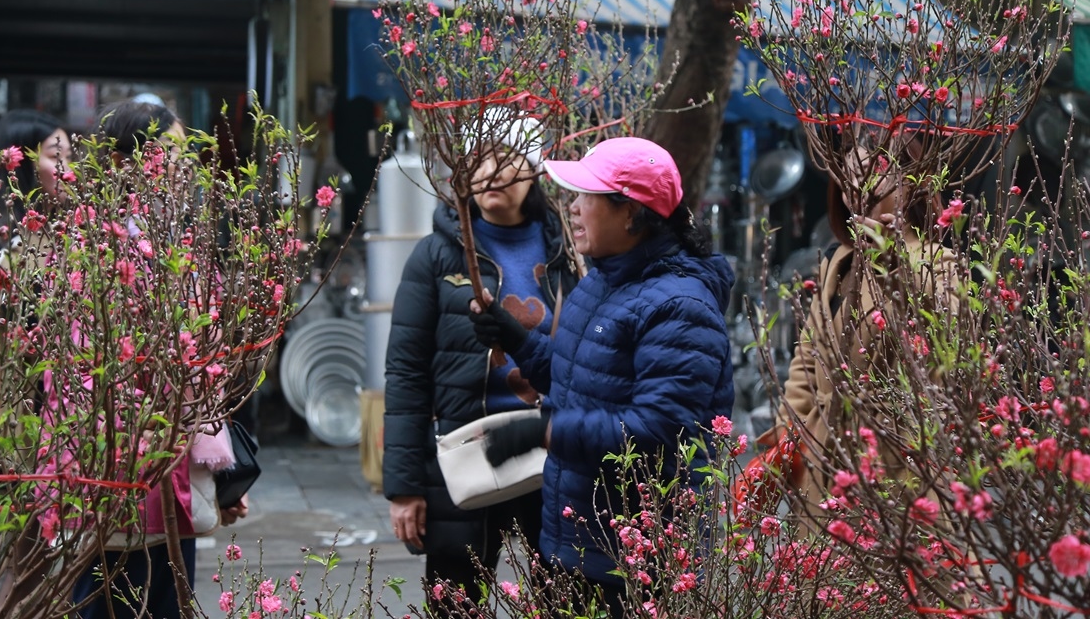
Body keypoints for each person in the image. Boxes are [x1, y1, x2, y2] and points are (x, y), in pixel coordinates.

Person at [468, 136, 735, 617]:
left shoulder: (680, 308)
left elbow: (655, 431)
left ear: (631, 214)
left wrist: (543, 432)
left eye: (585, 197)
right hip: (573, 540)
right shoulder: (601, 280)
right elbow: (579, 378)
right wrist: (518, 340)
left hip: (633, 560)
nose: (571, 209)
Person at [382, 113, 577, 607]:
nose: (491, 172)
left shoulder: (568, 253)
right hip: (463, 449)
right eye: (479, 159)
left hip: (549, 446)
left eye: (507, 158)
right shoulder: (436, 256)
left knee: (565, 597)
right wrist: (404, 487)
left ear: (534, 169)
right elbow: (406, 372)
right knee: (455, 600)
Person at [70, 100, 248, 619]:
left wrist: (217, 473)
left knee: (168, 597)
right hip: (121, 465)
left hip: (170, 466)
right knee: (117, 600)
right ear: (128, 163)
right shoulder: (98, 247)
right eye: (171, 151)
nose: (183, 165)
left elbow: (199, 367)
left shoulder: (167, 240)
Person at [754, 139, 959, 518]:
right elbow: (806, 360)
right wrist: (787, 435)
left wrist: (895, 264)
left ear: (908, 184)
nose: (855, 193)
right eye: (847, 180)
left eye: (871, 178)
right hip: (822, 462)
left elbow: (949, 351)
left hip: (896, 464)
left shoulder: (937, 265)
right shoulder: (839, 260)